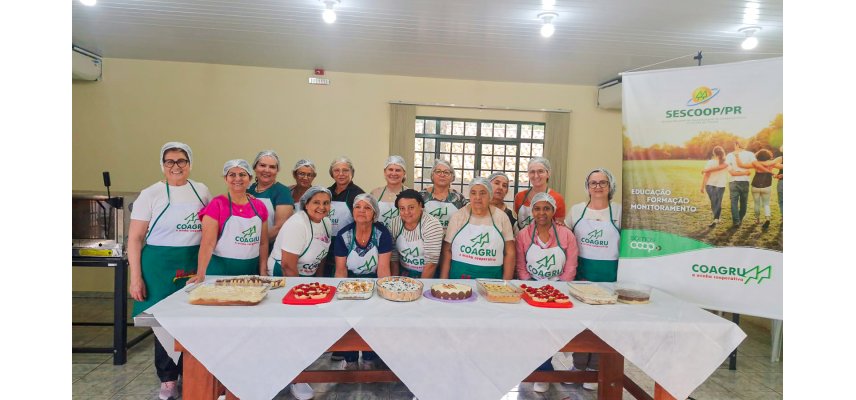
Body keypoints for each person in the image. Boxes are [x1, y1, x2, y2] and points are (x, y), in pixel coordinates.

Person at [128, 142, 212, 400]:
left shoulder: (202, 191)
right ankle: (168, 378)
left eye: (181, 161)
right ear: (162, 165)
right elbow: (135, 238)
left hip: (192, 264)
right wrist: (136, 278)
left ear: (190, 163)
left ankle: (195, 373)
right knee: (163, 323)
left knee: (195, 321)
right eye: (170, 162)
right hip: (158, 267)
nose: (176, 167)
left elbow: (209, 231)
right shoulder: (150, 194)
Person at [514, 192, 579, 393]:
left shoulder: (566, 235)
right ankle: (542, 371)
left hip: (558, 291)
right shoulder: (524, 234)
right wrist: (530, 286)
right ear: (532, 211)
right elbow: (521, 265)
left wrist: (557, 288)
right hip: (531, 291)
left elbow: (571, 265)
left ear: (553, 211)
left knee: (555, 333)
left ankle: (556, 367)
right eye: (537, 208)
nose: (542, 213)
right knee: (534, 332)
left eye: (547, 208)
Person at [564, 168, 621, 390]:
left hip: (610, 276)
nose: (597, 186)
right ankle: (578, 365)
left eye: (602, 182)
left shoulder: (619, 211)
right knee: (581, 322)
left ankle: (595, 367)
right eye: (593, 182)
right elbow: (566, 239)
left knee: (603, 322)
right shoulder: (577, 210)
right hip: (582, 274)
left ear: (610, 186)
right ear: (587, 187)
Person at [333, 194, 393, 370]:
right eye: (357, 207)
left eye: (367, 208)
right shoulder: (344, 235)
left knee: (371, 321)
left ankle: (369, 357)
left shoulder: (382, 234)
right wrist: (343, 296)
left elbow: (383, 268)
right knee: (349, 320)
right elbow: (340, 269)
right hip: (349, 282)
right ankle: (350, 359)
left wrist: (384, 294)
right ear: (352, 211)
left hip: (374, 282)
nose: (361, 211)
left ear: (374, 214)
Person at [191, 159, 269, 282]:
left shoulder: (259, 206)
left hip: (250, 272)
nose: (237, 178)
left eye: (242, 174)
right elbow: (207, 243)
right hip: (220, 272)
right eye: (232, 174)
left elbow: (263, 243)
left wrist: (263, 271)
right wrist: (200, 274)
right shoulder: (217, 205)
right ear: (225, 179)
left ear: (250, 178)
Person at [440, 177, 515, 280]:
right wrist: (443, 280)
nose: (478, 197)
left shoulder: (501, 217)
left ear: (490, 195)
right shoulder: (458, 216)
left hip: (492, 280)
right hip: (459, 279)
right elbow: (447, 249)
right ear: (469, 196)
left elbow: (510, 252)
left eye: (483, 193)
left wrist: (506, 283)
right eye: (473, 193)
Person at [268, 186, 333, 277]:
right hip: (283, 273)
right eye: (316, 202)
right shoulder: (297, 224)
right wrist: (299, 288)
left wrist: (319, 280)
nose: (322, 207)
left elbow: (321, 256)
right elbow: (287, 266)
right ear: (306, 204)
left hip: (308, 274)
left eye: (326, 203)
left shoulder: (326, 223)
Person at [388, 189, 444, 278]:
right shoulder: (394, 223)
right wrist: (394, 280)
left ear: (420, 205)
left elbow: (431, 263)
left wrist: (421, 286)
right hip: (404, 272)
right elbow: (394, 257)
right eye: (402, 208)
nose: (406, 212)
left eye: (411, 207)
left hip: (428, 274)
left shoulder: (432, 225)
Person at [325, 156, 365, 277]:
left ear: (352, 173)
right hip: (325, 243)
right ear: (332, 173)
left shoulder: (358, 194)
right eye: (337, 170)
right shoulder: (326, 193)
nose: (341, 174)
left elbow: (363, 222)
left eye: (345, 170)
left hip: (347, 244)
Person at [248, 150, 294, 245]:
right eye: (262, 165)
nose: (267, 170)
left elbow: (279, 227)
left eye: (272, 167)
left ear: (277, 170)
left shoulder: (282, 191)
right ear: (255, 167)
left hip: (268, 248)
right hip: (245, 245)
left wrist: (254, 245)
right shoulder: (248, 190)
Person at [514, 157, 566, 230]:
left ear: (548, 174)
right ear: (528, 174)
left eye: (540, 171)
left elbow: (559, 229)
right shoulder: (519, 197)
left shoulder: (557, 198)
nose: (536, 175)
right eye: (532, 172)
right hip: (521, 239)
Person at [420, 159, 468, 231]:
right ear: (432, 175)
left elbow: (466, 221)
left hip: (451, 240)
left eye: (446, 172)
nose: (442, 175)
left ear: (452, 177)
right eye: (438, 172)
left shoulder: (458, 198)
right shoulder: (422, 196)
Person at [737, 149, 777, 230]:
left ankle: (757, 219)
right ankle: (767, 219)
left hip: (755, 185)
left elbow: (741, 165)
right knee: (766, 203)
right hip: (767, 185)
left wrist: (736, 155)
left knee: (757, 203)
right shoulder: (772, 163)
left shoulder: (755, 163)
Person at [370, 155, 409, 229]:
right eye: (390, 169)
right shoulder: (375, 193)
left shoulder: (411, 194)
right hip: (380, 239)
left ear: (404, 173)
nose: (394, 173)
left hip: (404, 239)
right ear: (385, 172)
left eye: (398, 170)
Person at [724, 140, 755, 228]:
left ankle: (736, 221)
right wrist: (745, 172)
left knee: (734, 202)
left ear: (736, 144)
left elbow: (732, 172)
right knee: (744, 202)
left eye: (734, 144)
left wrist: (738, 171)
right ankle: (740, 219)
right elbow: (754, 165)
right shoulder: (750, 154)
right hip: (745, 181)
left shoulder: (729, 155)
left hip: (733, 182)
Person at [700, 146, 729, 227]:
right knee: (718, 202)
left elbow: (706, 175)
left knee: (714, 202)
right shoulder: (725, 162)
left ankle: (716, 218)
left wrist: (702, 186)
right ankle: (716, 218)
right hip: (720, 185)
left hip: (710, 185)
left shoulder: (711, 162)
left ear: (714, 153)